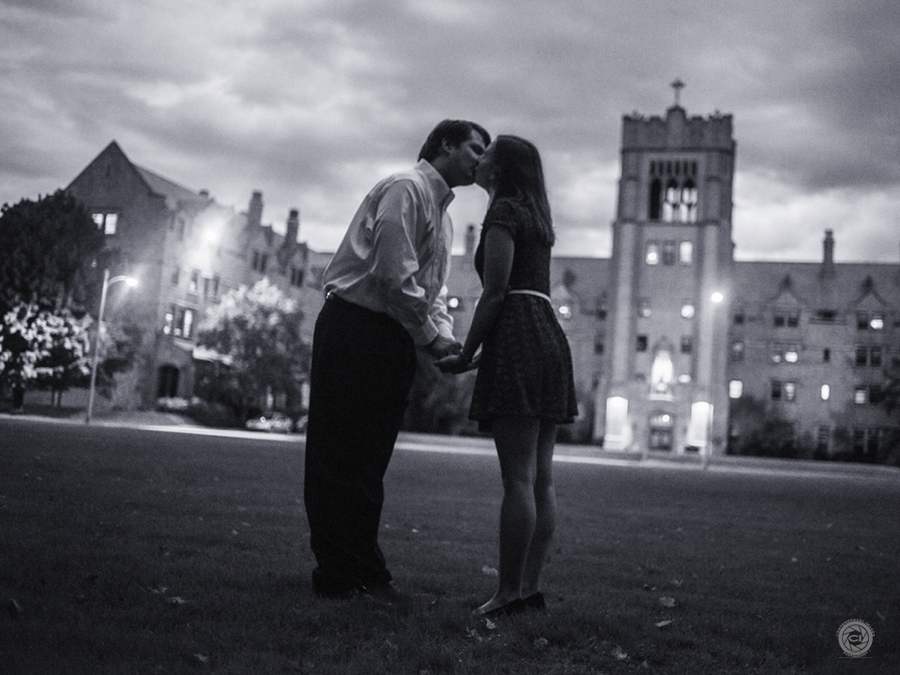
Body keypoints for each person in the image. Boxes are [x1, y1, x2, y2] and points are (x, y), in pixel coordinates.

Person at [304, 119, 491, 602]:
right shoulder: (406, 189)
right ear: (445, 145)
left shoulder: (442, 215)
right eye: (475, 148)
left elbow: (431, 293)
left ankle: (363, 568)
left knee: (368, 461)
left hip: (390, 338)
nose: (481, 159)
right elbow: (393, 277)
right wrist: (433, 341)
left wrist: (445, 340)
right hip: (355, 329)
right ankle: (338, 573)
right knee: (339, 456)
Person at [437, 135, 577, 616]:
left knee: (517, 479)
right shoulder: (537, 218)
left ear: (500, 169)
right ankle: (529, 588)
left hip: (518, 332)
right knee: (542, 480)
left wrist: (465, 352)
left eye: (487, 152)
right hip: (548, 337)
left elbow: (496, 292)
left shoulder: (502, 214)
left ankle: (508, 593)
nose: (479, 158)